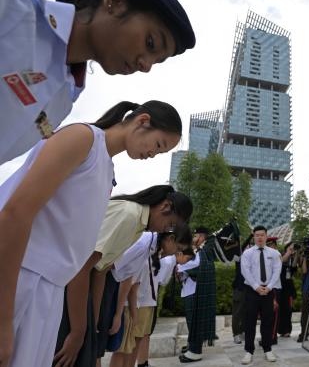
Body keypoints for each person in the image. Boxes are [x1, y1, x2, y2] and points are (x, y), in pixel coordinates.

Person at [0, 99, 182, 367]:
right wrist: (4, 319)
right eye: (158, 145)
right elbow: (14, 214)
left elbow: (79, 253)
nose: (152, 154)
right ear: (142, 122)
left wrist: (78, 326)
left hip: (49, 291)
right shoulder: (82, 138)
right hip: (20, 276)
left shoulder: (107, 170)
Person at [0, 0, 195, 166]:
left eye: (157, 61)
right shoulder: (12, 1)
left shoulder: (65, 97)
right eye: (150, 43)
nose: (146, 66)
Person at [108, 226, 191, 367]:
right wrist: (120, 312)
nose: (176, 253)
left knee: (134, 345)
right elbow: (125, 278)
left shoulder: (153, 249)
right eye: (178, 248)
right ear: (170, 239)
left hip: (143, 302)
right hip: (130, 304)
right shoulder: (143, 244)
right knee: (123, 350)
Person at [240, 226, 281, 365]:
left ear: (266, 236)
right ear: (253, 236)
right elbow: (245, 271)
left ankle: (267, 349)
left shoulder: (274, 253)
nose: (259, 237)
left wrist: (268, 288)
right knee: (249, 322)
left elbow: (277, 271)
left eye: (262, 235)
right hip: (252, 291)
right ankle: (248, 351)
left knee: (267, 322)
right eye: (257, 235)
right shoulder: (247, 253)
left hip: (268, 291)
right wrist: (256, 287)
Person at [176, 227, 217, 363]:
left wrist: (183, 269)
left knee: (194, 321)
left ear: (201, 237)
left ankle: (195, 351)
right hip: (189, 290)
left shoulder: (203, 252)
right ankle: (192, 345)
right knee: (191, 321)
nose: (193, 238)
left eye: (195, 236)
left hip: (195, 291)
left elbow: (197, 267)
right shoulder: (199, 251)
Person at [136, 252, 179, 367]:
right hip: (145, 299)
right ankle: (142, 362)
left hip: (148, 298)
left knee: (146, 332)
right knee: (142, 333)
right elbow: (162, 280)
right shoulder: (169, 259)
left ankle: (143, 362)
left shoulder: (161, 256)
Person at [232, 237, 253, 345]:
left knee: (246, 312)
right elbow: (241, 247)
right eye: (247, 247)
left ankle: (243, 331)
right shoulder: (238, 257)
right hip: (239, 288)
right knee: (237, 313)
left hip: (249, 289)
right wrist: (249, 236)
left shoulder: (251, 258)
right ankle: (236, 334)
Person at [277, 242, 297, 339]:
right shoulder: (281, 255)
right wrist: (288, 252)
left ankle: (287, 331)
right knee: (280, 310)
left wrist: (296, 254)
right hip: (280, 287)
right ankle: (281, 330)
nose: (292, 249)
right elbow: (281, 261)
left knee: (288, 310)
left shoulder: (292, 258)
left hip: (289, 288)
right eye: (290, 247)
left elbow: (293, 268)